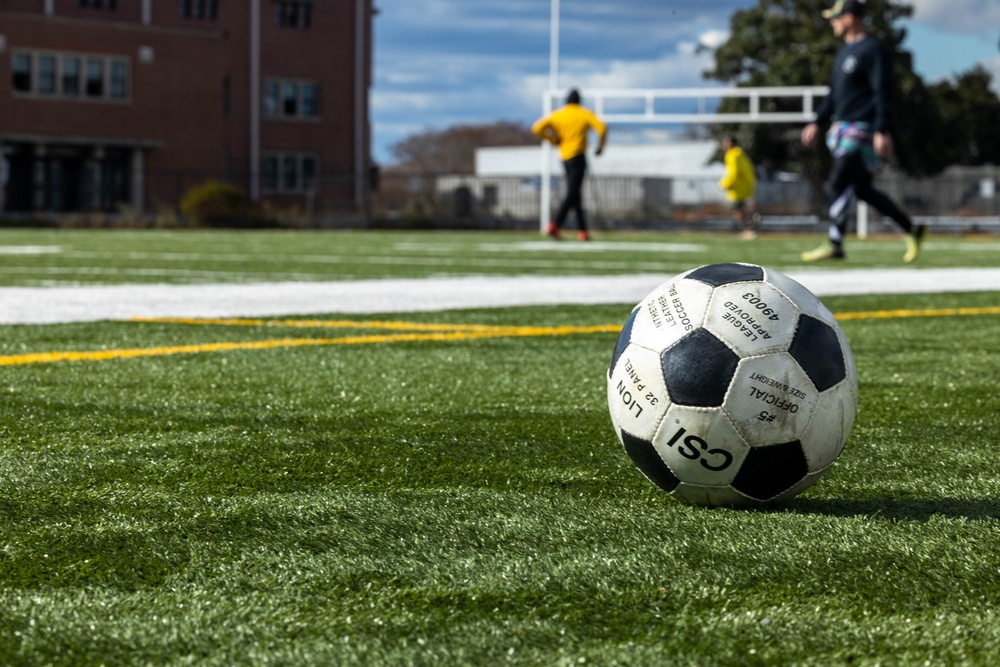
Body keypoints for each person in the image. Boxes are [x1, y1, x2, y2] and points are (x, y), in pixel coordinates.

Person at [800, 0, 926, 263]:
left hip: (863, 128)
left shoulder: (872, 50)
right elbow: (834, 96)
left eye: (834, 18)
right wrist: (816, 121)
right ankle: (911, 229)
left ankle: (835, 243)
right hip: (843, 126)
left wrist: (882, 129)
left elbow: (883, 92)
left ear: (849, 18)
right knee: (862, 190)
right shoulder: (842, 53)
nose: (831, 23)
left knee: (838, 181)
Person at [532, 88, 607, 241]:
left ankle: (583, 231)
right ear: (579, 101)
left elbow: (537, 128)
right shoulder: (584, 113)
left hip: (564, 157)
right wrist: (600, 147)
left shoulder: (558, 114)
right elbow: (602, 128)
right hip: (578, 157)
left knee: (576, 194)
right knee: (573, 192)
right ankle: (555, 224)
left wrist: (554, 140)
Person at [718, 135, 762, 240]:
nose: (723, 146)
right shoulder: (741, 154)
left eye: (725, 143)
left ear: (730, 144)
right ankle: (752, 216)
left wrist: (725, 184)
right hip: (747, 185)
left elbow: (734, 173)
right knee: (740, 209)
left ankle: (748, 227)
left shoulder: (732, 155)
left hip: (737, 188)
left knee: (737, 210)